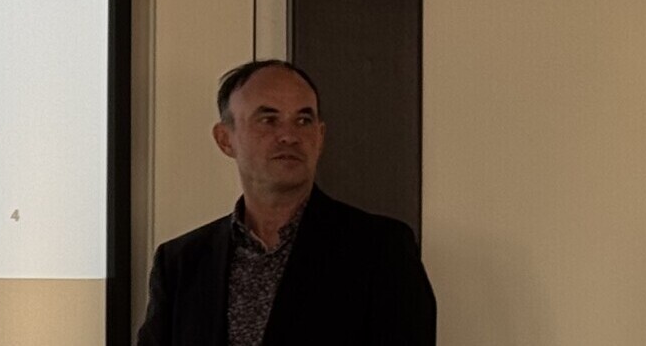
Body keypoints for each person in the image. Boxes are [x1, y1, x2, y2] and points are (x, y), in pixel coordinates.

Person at [136, 59, 436, 346]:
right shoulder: (181, 263)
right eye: (268, 120)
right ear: (225, 139)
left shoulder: (380, 250)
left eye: (303, 120)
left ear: (320, 136)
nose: (289, 136)